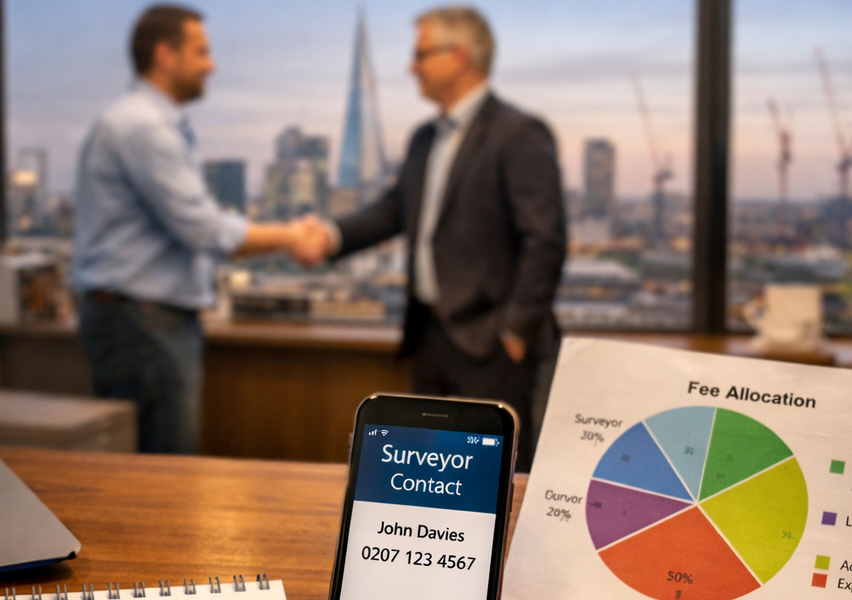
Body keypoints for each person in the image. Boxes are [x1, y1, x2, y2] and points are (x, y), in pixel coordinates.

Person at [306, 6, 566, 466]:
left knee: (497, 485)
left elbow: (545, 239)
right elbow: (393, 212)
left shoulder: (518, 133)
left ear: (458, 58)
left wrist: (515, 331)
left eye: (421, 54)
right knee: (429, 475)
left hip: (493, 346)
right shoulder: (424, 138)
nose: (412, 66)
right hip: (429, 337)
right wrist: (329, 235)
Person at [72, 4, 328, 454]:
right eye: (202, 52)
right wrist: (293, 235)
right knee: (161, 476)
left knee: (152, 471)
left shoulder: (147, 122)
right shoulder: (143, 126)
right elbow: (205, 230)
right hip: (142, 325)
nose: (212, 64)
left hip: (141, 320)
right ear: (166, 55)